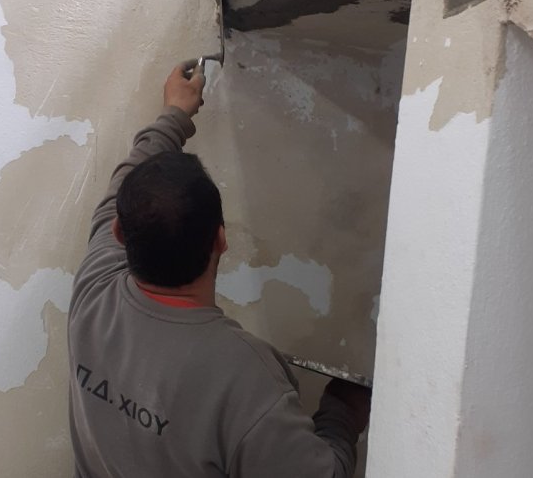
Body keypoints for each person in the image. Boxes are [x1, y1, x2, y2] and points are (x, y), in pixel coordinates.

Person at [68, 60, 371, 478]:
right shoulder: (245, 376)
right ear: (221, 240)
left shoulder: (94, 288)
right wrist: (343, 411)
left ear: (119, 232)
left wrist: (174, 114)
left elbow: (124, 182)